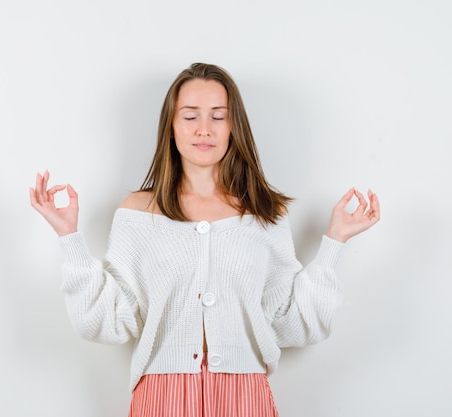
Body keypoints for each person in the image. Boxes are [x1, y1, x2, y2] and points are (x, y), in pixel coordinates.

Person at [30, 63, 380, 417]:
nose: (204, 129)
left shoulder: (264, 213)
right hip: (161, 397)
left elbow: (289, 321)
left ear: (233, 127)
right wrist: (68, 236)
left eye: (218, 116)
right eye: (190, 116)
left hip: (246, 397)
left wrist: (335, 240)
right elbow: (108, 321)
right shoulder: (137, 212)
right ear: (171, 126)